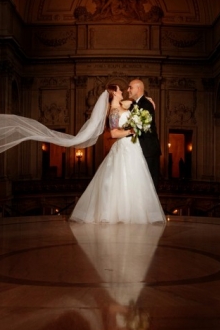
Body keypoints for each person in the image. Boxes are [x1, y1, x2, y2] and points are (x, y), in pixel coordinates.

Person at [70, 85, 165, 224]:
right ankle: (120, 214)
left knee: (136, 179)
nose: (123, 91)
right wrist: (131, 131)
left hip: (134, 147)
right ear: (114, 93)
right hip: (124, 146)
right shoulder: (113, 111)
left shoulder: (122, 104)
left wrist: (148, 100)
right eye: (120, 90)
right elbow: (114, 133)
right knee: (121, 180)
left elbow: (135, 103)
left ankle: (136, 214)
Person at [127, 78, 161, 189]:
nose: (128, 90)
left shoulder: (147, 105)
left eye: (130, 87)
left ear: (138, 88)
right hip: (137, 150)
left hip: (149, 150)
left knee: (150, 186)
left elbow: (142, 126)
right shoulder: (133, 105)